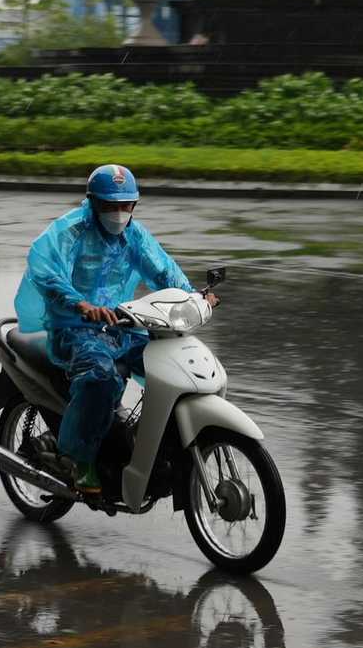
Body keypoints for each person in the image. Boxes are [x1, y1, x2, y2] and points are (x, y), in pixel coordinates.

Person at [14, 164, 218, 495]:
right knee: (101, 375)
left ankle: (146, 444)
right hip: (73, 328)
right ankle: (81, 460)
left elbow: (164, 271)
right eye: (111, 205)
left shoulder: (134, 235)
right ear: (93, 202)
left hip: (121, 325)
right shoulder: (71, 231)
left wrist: (196, 296)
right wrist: (80, 305)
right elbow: (48, 271)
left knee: (170, 364)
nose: (120, 213)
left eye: (127, 205)